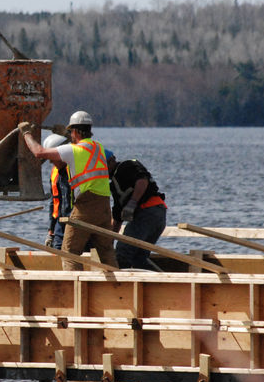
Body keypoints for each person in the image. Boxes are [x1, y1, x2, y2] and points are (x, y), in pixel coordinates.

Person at [18, 111, 117, 270]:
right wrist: (64, 134)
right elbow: (83, 150)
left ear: (76, 132)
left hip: (86, 206)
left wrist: (27, 134)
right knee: (106, 251)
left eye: (71, 132)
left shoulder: (73, 150)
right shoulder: (98, 148)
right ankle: (118, 288)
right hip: (104, 206)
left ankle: (74, 290)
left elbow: (39, 152)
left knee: (69, 251)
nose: (70, 135)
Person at [106, 151, 168, 269]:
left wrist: (132, 203)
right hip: (155, 214)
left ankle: (122, 286)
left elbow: (142, 181)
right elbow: (118, 217)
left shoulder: (126, 166)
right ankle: (162, 283)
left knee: (123, 252)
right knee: (138, 258)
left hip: (148, 212)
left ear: (111, 161)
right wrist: (109, 241)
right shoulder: (114, 185)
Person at [41, 133, 72, 249]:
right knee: (57, 248)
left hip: (76, 221)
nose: (51, 163)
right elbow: (54, 202)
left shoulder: (75, 169)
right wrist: (51, 230)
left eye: (52, 159)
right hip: (60, 221)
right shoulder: (55, 171)